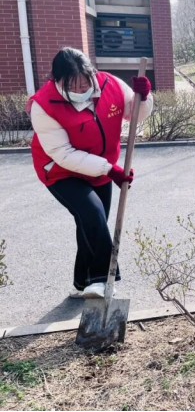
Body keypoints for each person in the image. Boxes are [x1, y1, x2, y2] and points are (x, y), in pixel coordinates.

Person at [27, 48, 154, 298]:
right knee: (92, 213)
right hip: (60, 171)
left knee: (93, 223)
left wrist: (144, 97)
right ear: (57, 80)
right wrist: (110, 169)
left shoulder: (111, 85)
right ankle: (102, 280)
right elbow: (62, 153)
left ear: (92, 73)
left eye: (85, 83)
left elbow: (134, 114)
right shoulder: (43, 105)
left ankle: (81, 282)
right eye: (72, 85)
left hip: (100, 167)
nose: (80, 89)